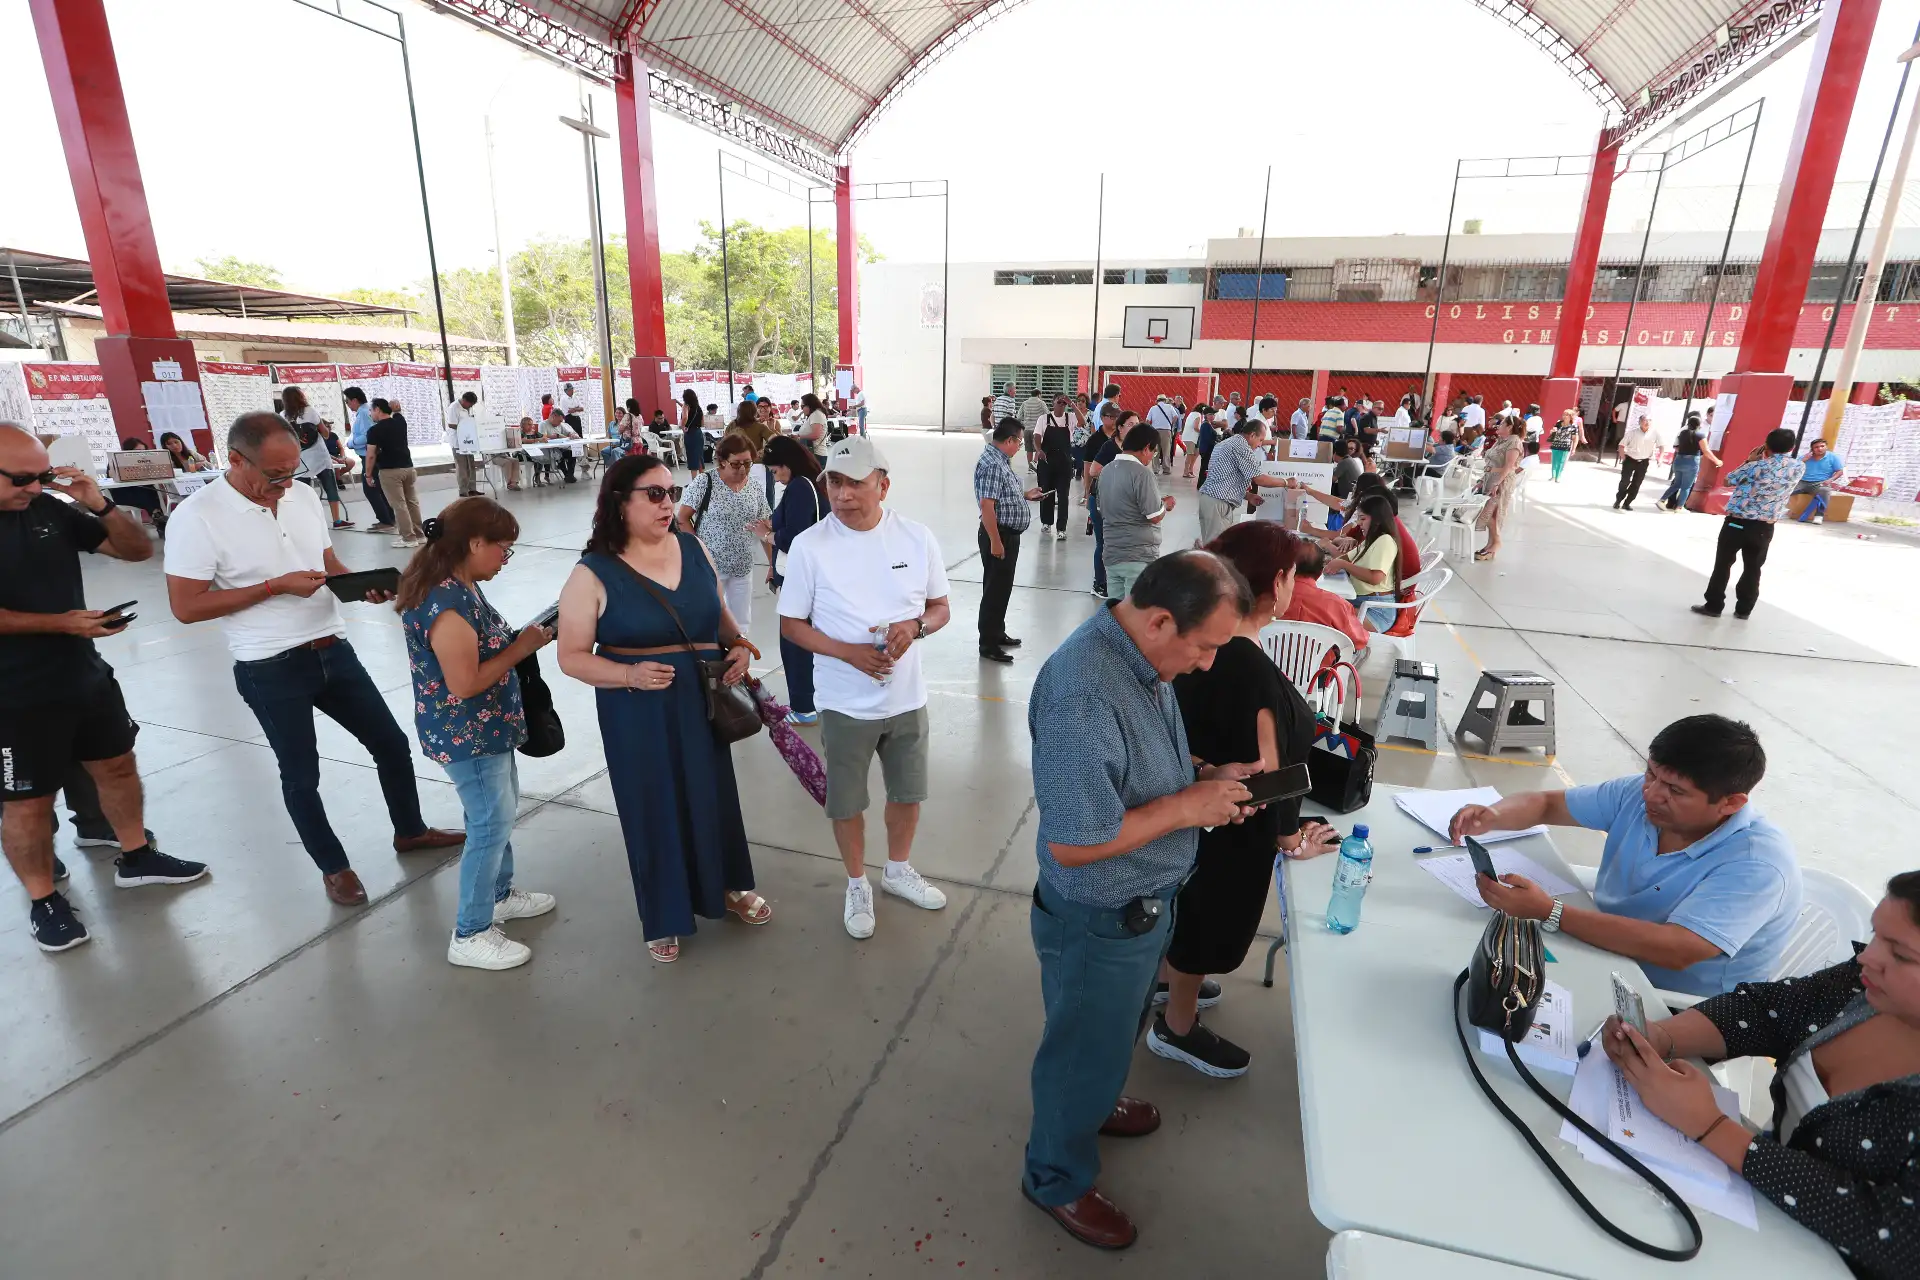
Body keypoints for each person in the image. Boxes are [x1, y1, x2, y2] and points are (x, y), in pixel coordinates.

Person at [1022, 550, 1260, 1250]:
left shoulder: (1140, 658)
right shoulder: (1083, 693)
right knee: (1080, 1048)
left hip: (1143, 904)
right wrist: (1189, 807)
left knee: (1112, 1030)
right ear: (1159, 620)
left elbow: (1133, 763)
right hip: (1099, 914)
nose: (1210, 664)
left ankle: (1093, 1102)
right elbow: (1073, 841)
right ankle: (1054, 1176)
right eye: (1206, 647)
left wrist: (1205, 776)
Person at [163, 413, 463, 907]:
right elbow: (186, 606)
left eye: (293, 472)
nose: (284, 485)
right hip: (268, 666)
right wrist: (272, 587)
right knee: (301, 774)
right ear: (235, 460)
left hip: (332, 648)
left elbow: (326, 564)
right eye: (273, 476)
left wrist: (356, 585)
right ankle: (334, 867)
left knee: (390, 743)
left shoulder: (302, 496)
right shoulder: (196, 517)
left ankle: (410, 830)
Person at [1599, 872, 1920, 1277]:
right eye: (1876, 936)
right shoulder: (1864, 987)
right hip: (1751, 1210)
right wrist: (1662, 1038)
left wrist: (1711, 1125)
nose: (1867, 957)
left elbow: (1893, 1231)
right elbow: (1769, 1011)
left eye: (1902, 955)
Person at [0, 422, 205, 953]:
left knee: (117, 764)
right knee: (26, 801)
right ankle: (44, 900)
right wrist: (61, 623)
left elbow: (136, 552)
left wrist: (99, 504)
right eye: (22, 478)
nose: (35, 487)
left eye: (42, 475)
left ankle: (136, 855)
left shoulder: (46, 509)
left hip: (82, 673)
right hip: (12, 694)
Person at [555, 454, 767, 964]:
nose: (667, 503)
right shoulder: (592, 573)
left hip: (700, 702)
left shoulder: (695, 549)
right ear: (619, 504)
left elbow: (719, 619)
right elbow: (570, 657)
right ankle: (664, 912)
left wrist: (737, 644)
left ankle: (729, 885)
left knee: (713, 794)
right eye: (653, 494)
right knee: (653, 806)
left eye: (671, 492)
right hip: (637, 713)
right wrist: (628, 675)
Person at [1152, 525, 1341, 1077]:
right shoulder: (1249, 667)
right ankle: (1177, 1026)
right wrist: (1290, 837)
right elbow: (1272, 768)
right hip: (1234, 828)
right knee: (1209, 921)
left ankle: (1167, 977)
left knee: (1189, 913)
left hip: (1194, 810)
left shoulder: (1205, 652)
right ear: (1279, 582)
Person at [1451, 714, 1800, 997]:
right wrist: (1495, 815)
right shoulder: (1639, 793)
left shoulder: (1757, 864)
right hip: (1604, 954)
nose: (1651, 793)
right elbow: (1548, 804)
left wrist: (1549, 911)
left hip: (1676, 1004)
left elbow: (1679, 949)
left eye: (1675, 790)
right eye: (1651, 773)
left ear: (1732, 803)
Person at [777, 436, 951, 941]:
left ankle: (897, 871)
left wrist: (914, 627)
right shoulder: (811, 546)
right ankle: (857, 883)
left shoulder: (916, 538)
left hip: (906, 696)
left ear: (883, 485)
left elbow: (940, 607)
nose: (843, 493)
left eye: (856, 483)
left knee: (908, 793)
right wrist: (849, 653)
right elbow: (791, 624)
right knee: (848, 800)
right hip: (844, 701)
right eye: (835, 481)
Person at [396, 497, 556, 971]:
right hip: (467, 733)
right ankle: (470, 931)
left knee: (499, 813)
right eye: (503, 549)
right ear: (474, 543)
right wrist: (522, 646)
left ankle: (498, 894)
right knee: (489, 822)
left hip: (490, 729)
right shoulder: (445, 603)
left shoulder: (465, 585)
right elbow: (464, 683)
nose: (505, 559)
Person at [1692, 427, 1804, 620]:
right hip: (1764, 526)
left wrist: (1751, 459)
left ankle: (1714, 605)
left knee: (1723, 565)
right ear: (1792, 447)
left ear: (1766, 446)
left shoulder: (1754, 466)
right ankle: (1744, 609)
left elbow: (1728, 480)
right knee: (1753, 568)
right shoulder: (1798, 467)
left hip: (1737, 523)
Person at [755, 435, 825, 724]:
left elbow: (795, 535)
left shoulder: (799, 487)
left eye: (775, 472)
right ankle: (813, 700)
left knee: (794, 639)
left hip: (799, 576)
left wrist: (768, 536)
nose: (776, 478)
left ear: (787, 465)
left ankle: (803, 706)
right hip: (806, 572)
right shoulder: (811, 483)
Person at [676, 432, 772, 628]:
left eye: (748, 463)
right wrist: (698, 552)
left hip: (742, 565)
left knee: (741, 623)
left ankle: (740, 654)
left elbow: (763, 526)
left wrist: (772, 563)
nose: (743, 469)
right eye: (736, 463)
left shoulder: (754, 487)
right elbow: (683, 518)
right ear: (722, 461)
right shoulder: (705, 482)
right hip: (710, 566)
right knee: (708, 619)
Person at [974, 421, 1045, 664]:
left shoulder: (1001, 461)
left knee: (1001, 587)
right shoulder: (994, 465)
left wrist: (1024, 495)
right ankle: (988, 644)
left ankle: (997, 631)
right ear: (1009, 441)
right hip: (999, 535)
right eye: (1019, 442)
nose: (1019, 447)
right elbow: (987, 506)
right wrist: (995, 541)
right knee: (995, 590)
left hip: (1006, 535)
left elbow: (999, 494)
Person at [1100, 421, 1176, 603]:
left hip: (1112, 554)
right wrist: (1165, 504)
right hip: (1137, 556)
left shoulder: (1107, 471)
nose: (1151, 457)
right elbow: (1154, 515)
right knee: (1134, 617)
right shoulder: (1142, 473)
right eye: (1153, 452)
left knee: (1115, 614)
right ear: (1146, 448)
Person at [1195, 417, 1289, 544]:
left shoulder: (1228, 442)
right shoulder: (1242, 447)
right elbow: (1259, 479)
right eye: (1260, 440)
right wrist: (1286, 482)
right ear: (1252, 435)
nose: (1260, 444)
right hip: (1217, 503)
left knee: (1219, 546)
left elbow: (1225, 478)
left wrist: (1248, 496)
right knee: (1216, 549)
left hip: (1214, 500)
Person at [1327, 492, 1401, 632]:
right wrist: (1330, 561)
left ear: (1377, 519)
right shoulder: (1369, 541)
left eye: (1362, 518)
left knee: (1324, 613)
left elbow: (1375, 578)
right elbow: (1345, 558)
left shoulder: (1385, 541)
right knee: (1321, 604)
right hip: (1362, 602)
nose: (1359, 523)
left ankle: (1346, 650)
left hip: (1376, 611)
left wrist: (1343, 565)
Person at [1280, 541, 1369, 653]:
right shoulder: (1338, 605)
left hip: (1267, 666)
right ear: (1320, 572)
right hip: (1321, 669)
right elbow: (1359, 642)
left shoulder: (1268, 597)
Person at [284, 387, 353, 529]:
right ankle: (337, 521)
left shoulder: (282, 416)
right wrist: (325, 429)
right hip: (319, 456)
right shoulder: (309, 411)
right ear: (300, 396)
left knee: (301, 492)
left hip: (300, 459)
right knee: (330, 488)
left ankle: (305, 522)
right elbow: (326, 434)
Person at [365, 398, 422, 549]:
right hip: (408, 468)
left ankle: (408, 538)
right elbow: (397, 410)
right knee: (412, 502)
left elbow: (371, 455)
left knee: (399, 505)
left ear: (377, 409)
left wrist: (368, 474)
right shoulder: (400, 422)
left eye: (371, 411)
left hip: (390, 471)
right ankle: (420, 534)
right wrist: (396, 408)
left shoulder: (374, 430)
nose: (370, 414)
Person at [1083, 406, 1125, 597]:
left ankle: (1113, 580)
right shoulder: (1100, 442)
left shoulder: (1131, 445)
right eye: (1111, 417)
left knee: (1114, 541)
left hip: (1119, 500)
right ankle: (1099, 583)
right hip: (1099, 497)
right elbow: (1089, 469)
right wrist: (1086, 494)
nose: (1113, 420)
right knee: (1103, 541)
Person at [1472, 418, 1525, 562]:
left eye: (1502, 424)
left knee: (1491, 513)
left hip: (1501, 480)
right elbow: (1491, 461)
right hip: (1490, 477)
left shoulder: (1514, 442)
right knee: (1490, 513)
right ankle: (1490, 544)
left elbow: (1509, 466)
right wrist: (1482, 480)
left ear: (1509, 427)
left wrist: (1497, 483)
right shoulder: (1500, 440)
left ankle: (1496, 542)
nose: (1498, 426)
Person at [344, 386, 395, 534]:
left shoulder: (365, 413)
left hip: (370, 455)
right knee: (377, 488)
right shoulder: (364, 412)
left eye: (347, 401)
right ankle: (389, 518)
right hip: (368, 454)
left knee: (371, 488)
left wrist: (351, 443)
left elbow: (369, 435)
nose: (347, 404)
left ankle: (385, 520)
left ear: (354, 400)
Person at [1036, 395, 1079, 539]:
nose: (1061, 404)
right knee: (1046, 492)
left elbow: (1083, 421)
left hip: (1064, 463)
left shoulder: (1070, 418)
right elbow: (1037, 436)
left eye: (1063, 403)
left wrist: (1072, 403)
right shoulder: (1044, 419)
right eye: (1059, 402)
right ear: (1053, 403)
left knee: (1063, 495)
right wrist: (1038, 449)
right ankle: (1046, 522)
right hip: (1046, 462)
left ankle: (1061, 528)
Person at [1660, 413, 1718, 511]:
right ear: (1699, 425)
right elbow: (1706, 451)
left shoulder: (1682, 433)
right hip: (1691, 462)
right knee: (1686, 487)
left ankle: (1661, 500)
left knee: (1676, 484)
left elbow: (1676, 446)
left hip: (1679, 460)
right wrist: (1717, 461)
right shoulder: (1700, 435)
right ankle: (1679, 507)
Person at [1793, 437, 1847, 522]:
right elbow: (1793, 468)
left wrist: (1830, 480)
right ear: (1812, 449)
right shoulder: (1806, 456)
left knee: (1825, 490)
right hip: (1802, 481)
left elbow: (1840, 471)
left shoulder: (1832, 457)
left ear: (1826, 447)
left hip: (1819, 483)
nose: (1820, 449)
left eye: (1822, 446)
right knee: (1786, 489)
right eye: (1816, 447)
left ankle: (1819, 516)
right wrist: (1804, 460)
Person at [1615, 412, 1658, 511]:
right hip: (1630, 459)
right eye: (1644, 420)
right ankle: (1618, 500)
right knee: (1625, 482)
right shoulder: (1632, 432)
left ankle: (1627, 503)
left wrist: (1660, 457)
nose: (1647, 422)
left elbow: (1661, 445)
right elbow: (1621, 446)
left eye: (1649, 420)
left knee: (1636, 484)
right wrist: (1624, 458)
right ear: (1640, 422)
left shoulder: (1654, 434)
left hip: (1643, 462)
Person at [446, 391, 483, 497]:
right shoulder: (454, 407)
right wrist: (465, 429)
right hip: (457, 442)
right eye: (470, 404)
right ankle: (463, 490)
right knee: (462, 466)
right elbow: (451, 424)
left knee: (471, 465)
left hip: (469, 441)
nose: (470, 407)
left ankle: (472, 489)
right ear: (465, 401)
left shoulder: (467, 409)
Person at [542, 407, 579, 485]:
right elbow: (543, 438)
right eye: (559, 421)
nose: (560, 423)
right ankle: (567, 475)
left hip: (561, 447)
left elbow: (568, 433)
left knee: (572, 453)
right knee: (559, 455)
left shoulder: (560, 425)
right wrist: (554, 436)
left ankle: (570, 475)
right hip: (550, 450)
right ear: (554, 416)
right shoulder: (543, 424)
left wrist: (572, 435)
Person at [1147, 394, 1182, 476]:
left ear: (1157, 401)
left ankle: (1155, 469)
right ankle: (1166, 469)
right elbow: (1176, 416)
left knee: (1155, 451)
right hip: (1166, 430)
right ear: (1165, 400)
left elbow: (1148, 420)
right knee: (1166, 450)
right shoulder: (1169, 407)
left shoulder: (1153, 408)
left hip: (1155, 431)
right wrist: (1171, 424)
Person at [1547, 407, 1581, 481]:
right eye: (1564, 414)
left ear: (1570, 417)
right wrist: (1552, 431)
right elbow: (1552, 431)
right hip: (1555, 444)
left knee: (1561, 461)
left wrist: (1573, 449)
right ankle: (1553, 476)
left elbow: (1574, 438)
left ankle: (1558, 476)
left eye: (1567, 415)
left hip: (1565, 446)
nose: (1564, 416)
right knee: (1554, 461)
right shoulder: (1558, 423)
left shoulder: (1573, 426)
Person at [1018, 386, 1048, 467]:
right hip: (1037, 430)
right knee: (1038, 448)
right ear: (1039, 395)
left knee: (1029, 449)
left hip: (1027, 429)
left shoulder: (1024, 403)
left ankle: (1030, 466)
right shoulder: (1041, 403)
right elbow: (1047, 414)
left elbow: (1019, 417)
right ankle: (1034, 462)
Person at [797, 392, 831, 460]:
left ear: (810, 405)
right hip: (813, 453)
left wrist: (798, 437)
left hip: (817, 455)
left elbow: (815, 435)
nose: (802, 409)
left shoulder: (817, 415)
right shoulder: (814, 415)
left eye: (802, 406)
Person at [681, 387, 707, 473]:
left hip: (690, 433)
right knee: (699, 456)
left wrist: (683, 427)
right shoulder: (698, 407)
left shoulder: (686, 405)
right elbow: (703, 421)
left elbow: (685, 417)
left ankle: (694, 480)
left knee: (692, 456)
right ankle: (702, 479)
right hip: (698, 432)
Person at [1181, 400, 1207, 478]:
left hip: (1189, 437)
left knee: (1195, 453)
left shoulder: (1192, 413)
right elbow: (1195, 427)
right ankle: (1186, 472)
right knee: (1190, 454)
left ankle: (1190, 470)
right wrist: (1202, 432)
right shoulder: (1198, 415)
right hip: (1191, 437)